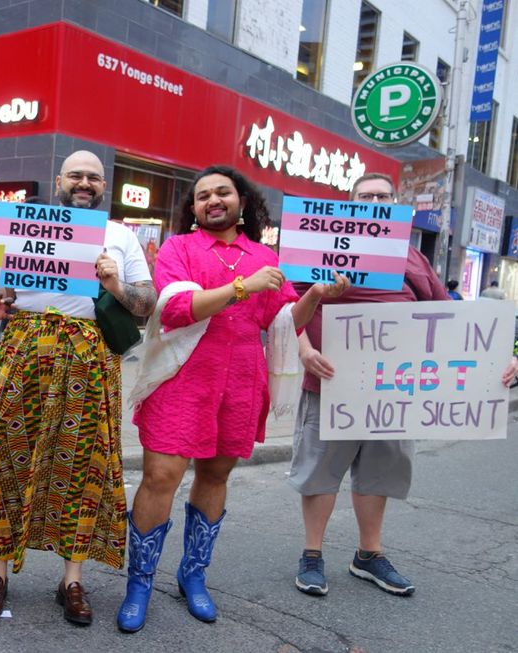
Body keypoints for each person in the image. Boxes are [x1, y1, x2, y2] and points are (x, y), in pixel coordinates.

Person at [117, 165, 349, 632]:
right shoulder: (178, 249)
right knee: (161, 476)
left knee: (216, 474)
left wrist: (317, 295)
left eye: (222, 192)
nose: (212, 200)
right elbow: (177, 309)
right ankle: (139, 582)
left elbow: (283, 321)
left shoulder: (263, 254)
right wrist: (242, 286)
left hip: (241, 382)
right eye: (202, 196)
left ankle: (193, 574)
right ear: (194, 209)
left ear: (242, 202)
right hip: (182, 379)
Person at [0, 150, 158, 626]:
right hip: (23, 350)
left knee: (84, 462)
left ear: (106, 185)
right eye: (76, 175)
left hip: (90, 361)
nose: (85, 182)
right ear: (59, 180)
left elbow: (146, 303)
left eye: (94, 177)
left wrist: (116, 285)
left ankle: (71, 580)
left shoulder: (120, 235)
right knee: (2, 455)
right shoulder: (17, 226)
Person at [288, 172, 518, 599]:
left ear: (394, 204)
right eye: (365, 196)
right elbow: (289, 312)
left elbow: (448, 315)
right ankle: (312, 555)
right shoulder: (321, 248)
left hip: (393, 393)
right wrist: (304, 348)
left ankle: (368, 555)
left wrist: (498, 356)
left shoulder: (413, 258)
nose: (375, 200)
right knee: (320, 472)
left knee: (379, 473)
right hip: (331, 384)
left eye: (383, 195)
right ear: (351, 203)